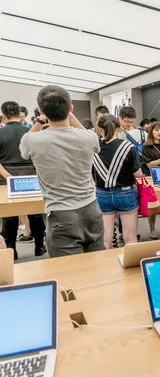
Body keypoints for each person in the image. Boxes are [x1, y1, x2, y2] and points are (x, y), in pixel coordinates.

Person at [21, 85, 104, 257]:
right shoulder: (88, 137)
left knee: (68, 273)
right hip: (92, 209)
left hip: (61, 214)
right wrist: (69, 113)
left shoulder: (33, 140)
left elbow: (23, 149)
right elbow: (91, 138)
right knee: (97, 266)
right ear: (71, 108)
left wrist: (40, 120)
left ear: (41, 111)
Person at [0, 101, 46, 259]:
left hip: (5, 178)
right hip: (31, 176)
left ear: (3, 115)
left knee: (9, 215)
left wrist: (7, 176)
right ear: (19, 114)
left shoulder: (0, 133)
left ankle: (11, 250)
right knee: (35, 213)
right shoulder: (30, 132)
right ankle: (40, 246)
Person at [92, 115, 142, 249]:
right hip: (126, 193)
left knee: (105, 237)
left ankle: (106, 267)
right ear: (118, 129)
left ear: (99, 129)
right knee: (130, 237)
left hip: (102, 194)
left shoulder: (94, 149)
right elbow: (138, 174)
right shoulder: (128, 147)